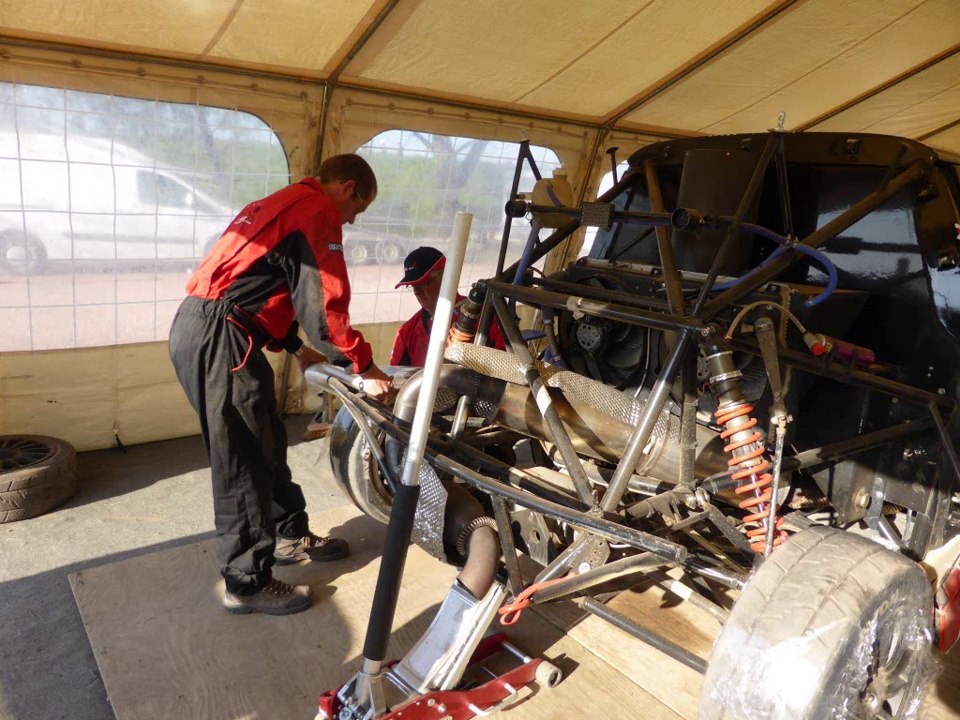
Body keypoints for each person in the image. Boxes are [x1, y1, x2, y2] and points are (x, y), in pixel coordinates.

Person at [168, 153, 393, 616]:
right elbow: (324, 302)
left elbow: (262, 282)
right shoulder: (319, 211)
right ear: (348, 189)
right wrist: (363, 366)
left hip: (216, 328)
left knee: (265, 439)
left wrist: (295, 347)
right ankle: (246, 582)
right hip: (222, 337)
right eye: (358, 210)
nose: (350, 221)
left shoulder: (281, 203)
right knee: (241, 461)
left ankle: (290, 535)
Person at [390, 246, 504, 367]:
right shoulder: (406, 332)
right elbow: (395, 378)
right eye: (412, 286)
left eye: (424, 283)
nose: (417, 292)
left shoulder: (486, 316)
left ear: (447, 277)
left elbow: (508, 366)